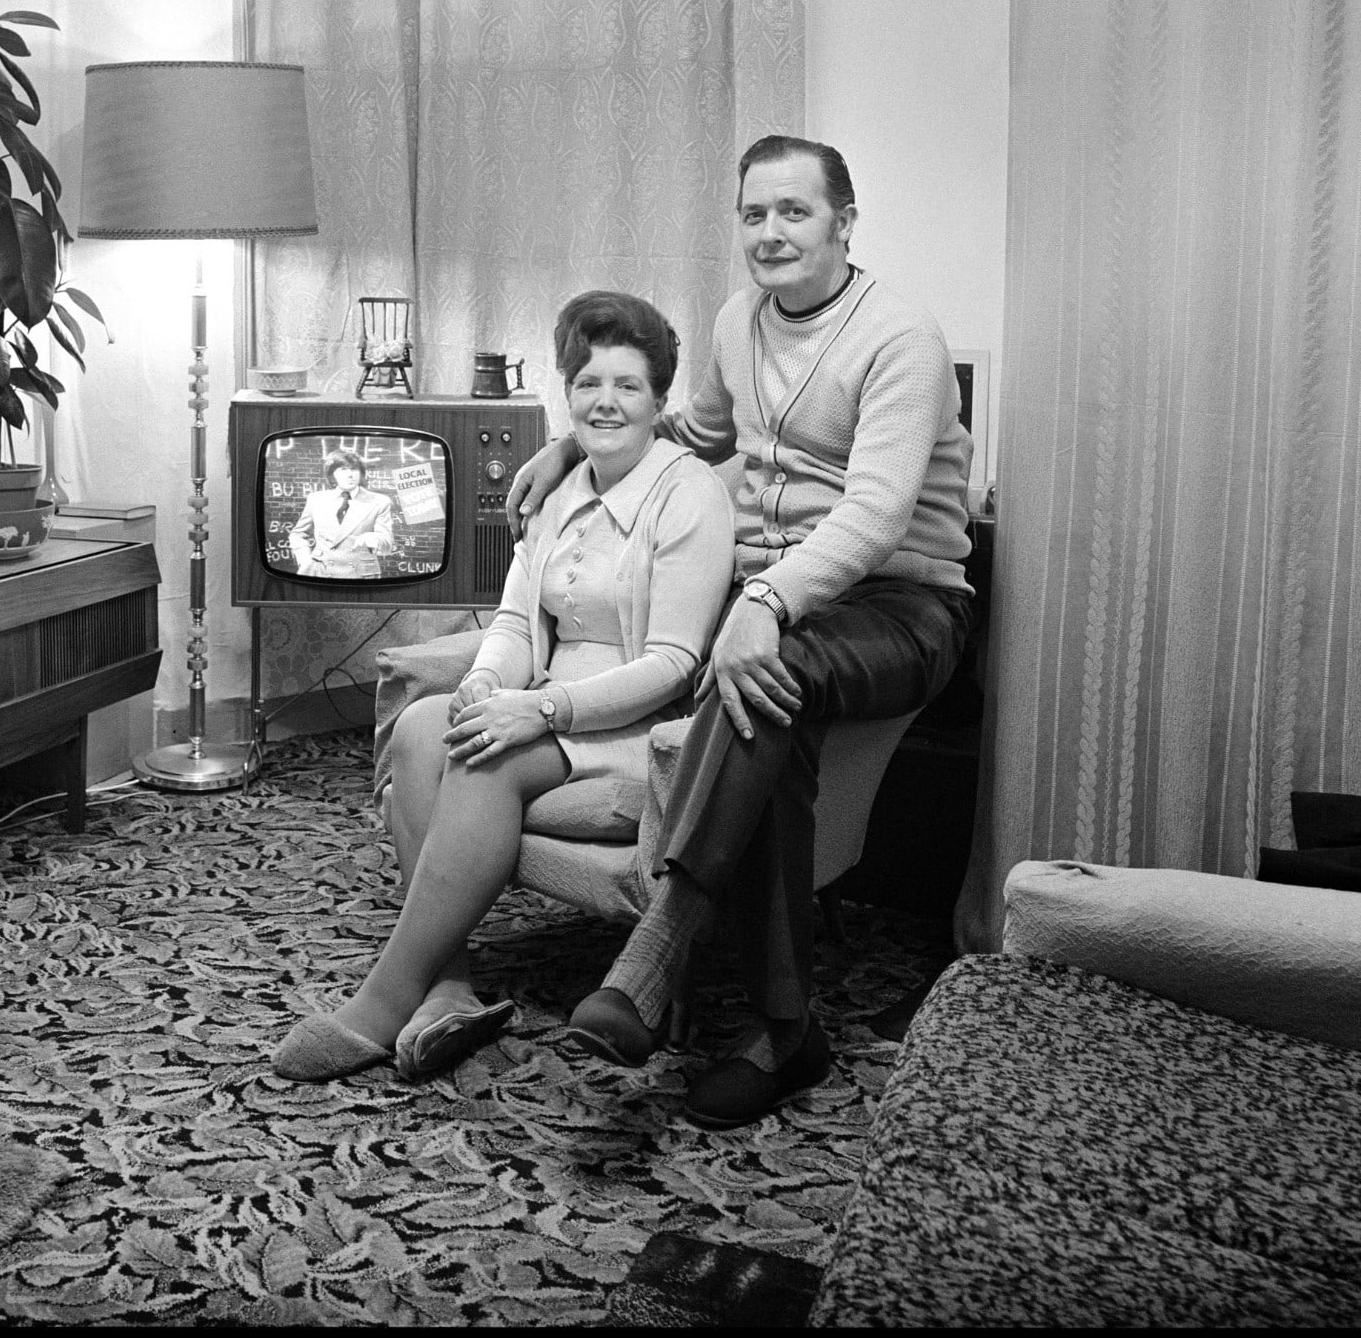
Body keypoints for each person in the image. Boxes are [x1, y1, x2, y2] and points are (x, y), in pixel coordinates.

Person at [508, 135, 973, 1129]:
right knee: (768, 703)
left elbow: (877, 512)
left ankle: (654, 951)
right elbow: (696, 435)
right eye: (754, 213)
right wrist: (566, 444)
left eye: (793, 211)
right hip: (777, 603)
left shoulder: (899, 338)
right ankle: (781, 1025)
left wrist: (762, 603)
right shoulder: (734, 321)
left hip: (901, 602)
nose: (770, 232)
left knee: (770, 662)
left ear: (843, 222)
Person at [273, 291, 736, 1084]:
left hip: (641, 727)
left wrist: (537, 709)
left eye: (628, 385)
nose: (606, 401)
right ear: (568, 394)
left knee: (488, 756)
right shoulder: (557, 489)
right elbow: (519, 625)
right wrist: (486, 681)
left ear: (661, 400)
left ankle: (384, 1001)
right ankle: (449, 984)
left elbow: (674, 663)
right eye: (588, 383)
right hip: (545, 706)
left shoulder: (690, 493)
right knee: (425, 727)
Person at [287, 448, 398, 577]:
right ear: (332, 474)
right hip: (320, 571)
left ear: (361, 473)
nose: (350, 475)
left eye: (354, 469)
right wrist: (305, 560)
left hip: (359, 575)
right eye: (343, 469)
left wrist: (375, 539)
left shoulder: (379, 502)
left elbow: (388, 545)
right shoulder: (316, 500)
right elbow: (298, 534)